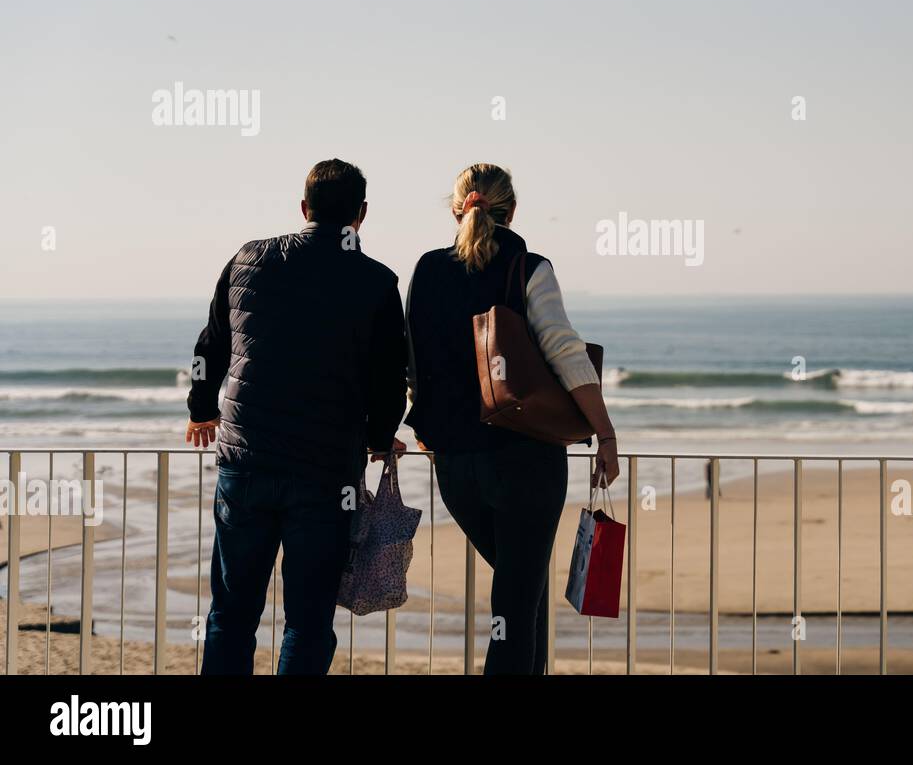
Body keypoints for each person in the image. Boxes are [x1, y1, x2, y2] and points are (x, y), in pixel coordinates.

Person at [185, 159, 408, 675]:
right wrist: (379, 436)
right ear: (362, 215)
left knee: (232, 611)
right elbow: (388, 377)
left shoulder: (247, 259)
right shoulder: (376, 280)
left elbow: (212, 345)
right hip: (326, 473)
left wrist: (202, 410)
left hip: (246, 464)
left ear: (303, 207)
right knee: (308, 620)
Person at [405, 163, 617, 675]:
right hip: (525, 459)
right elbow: (565, 352)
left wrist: (430, 434)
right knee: (517, 605)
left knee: (523, 589)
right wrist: (604, 433)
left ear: (457, 207)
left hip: (455, 466)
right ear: (513, 211)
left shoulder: (427, 270)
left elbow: (413, 362)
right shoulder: (529, 266)